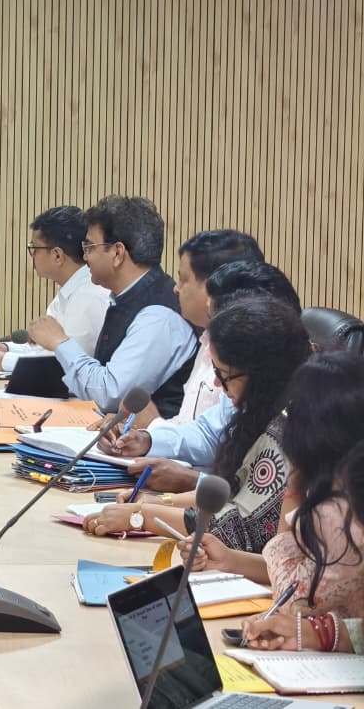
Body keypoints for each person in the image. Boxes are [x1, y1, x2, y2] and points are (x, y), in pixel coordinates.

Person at [83, 295, 311, 556]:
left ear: (262, 374)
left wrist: (142, 516)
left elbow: (240, 531)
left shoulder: (290, 425)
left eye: (224, 375)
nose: (217, 384)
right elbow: (233, 490)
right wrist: (158, 502)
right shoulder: (259, 406)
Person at [177, 354, 364, 624]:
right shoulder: (339, 488)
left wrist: (293, 487)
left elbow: (290, 603)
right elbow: (303, 572)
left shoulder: (338, 513)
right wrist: (229, 559)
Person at [105, 260, 304, 495]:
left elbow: (260, 502)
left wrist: (193, 483)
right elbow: (210, 433)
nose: (217, 382)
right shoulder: (241, 379)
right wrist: (147, 440)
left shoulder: (301, 412)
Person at [26, 196, 196, 415]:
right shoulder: (124, 297)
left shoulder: (158, 316)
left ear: (117, 253)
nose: (85, 257)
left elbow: (109, 395)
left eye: (89, 247)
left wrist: (60, 342)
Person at [0, 206, 108, 374]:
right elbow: (44, 349)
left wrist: (3, 361)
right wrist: (6, 348)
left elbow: (64, 366)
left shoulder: (89, 297)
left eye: (34, 249)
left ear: (57, 256)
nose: (32, 256)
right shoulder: (70, 290)